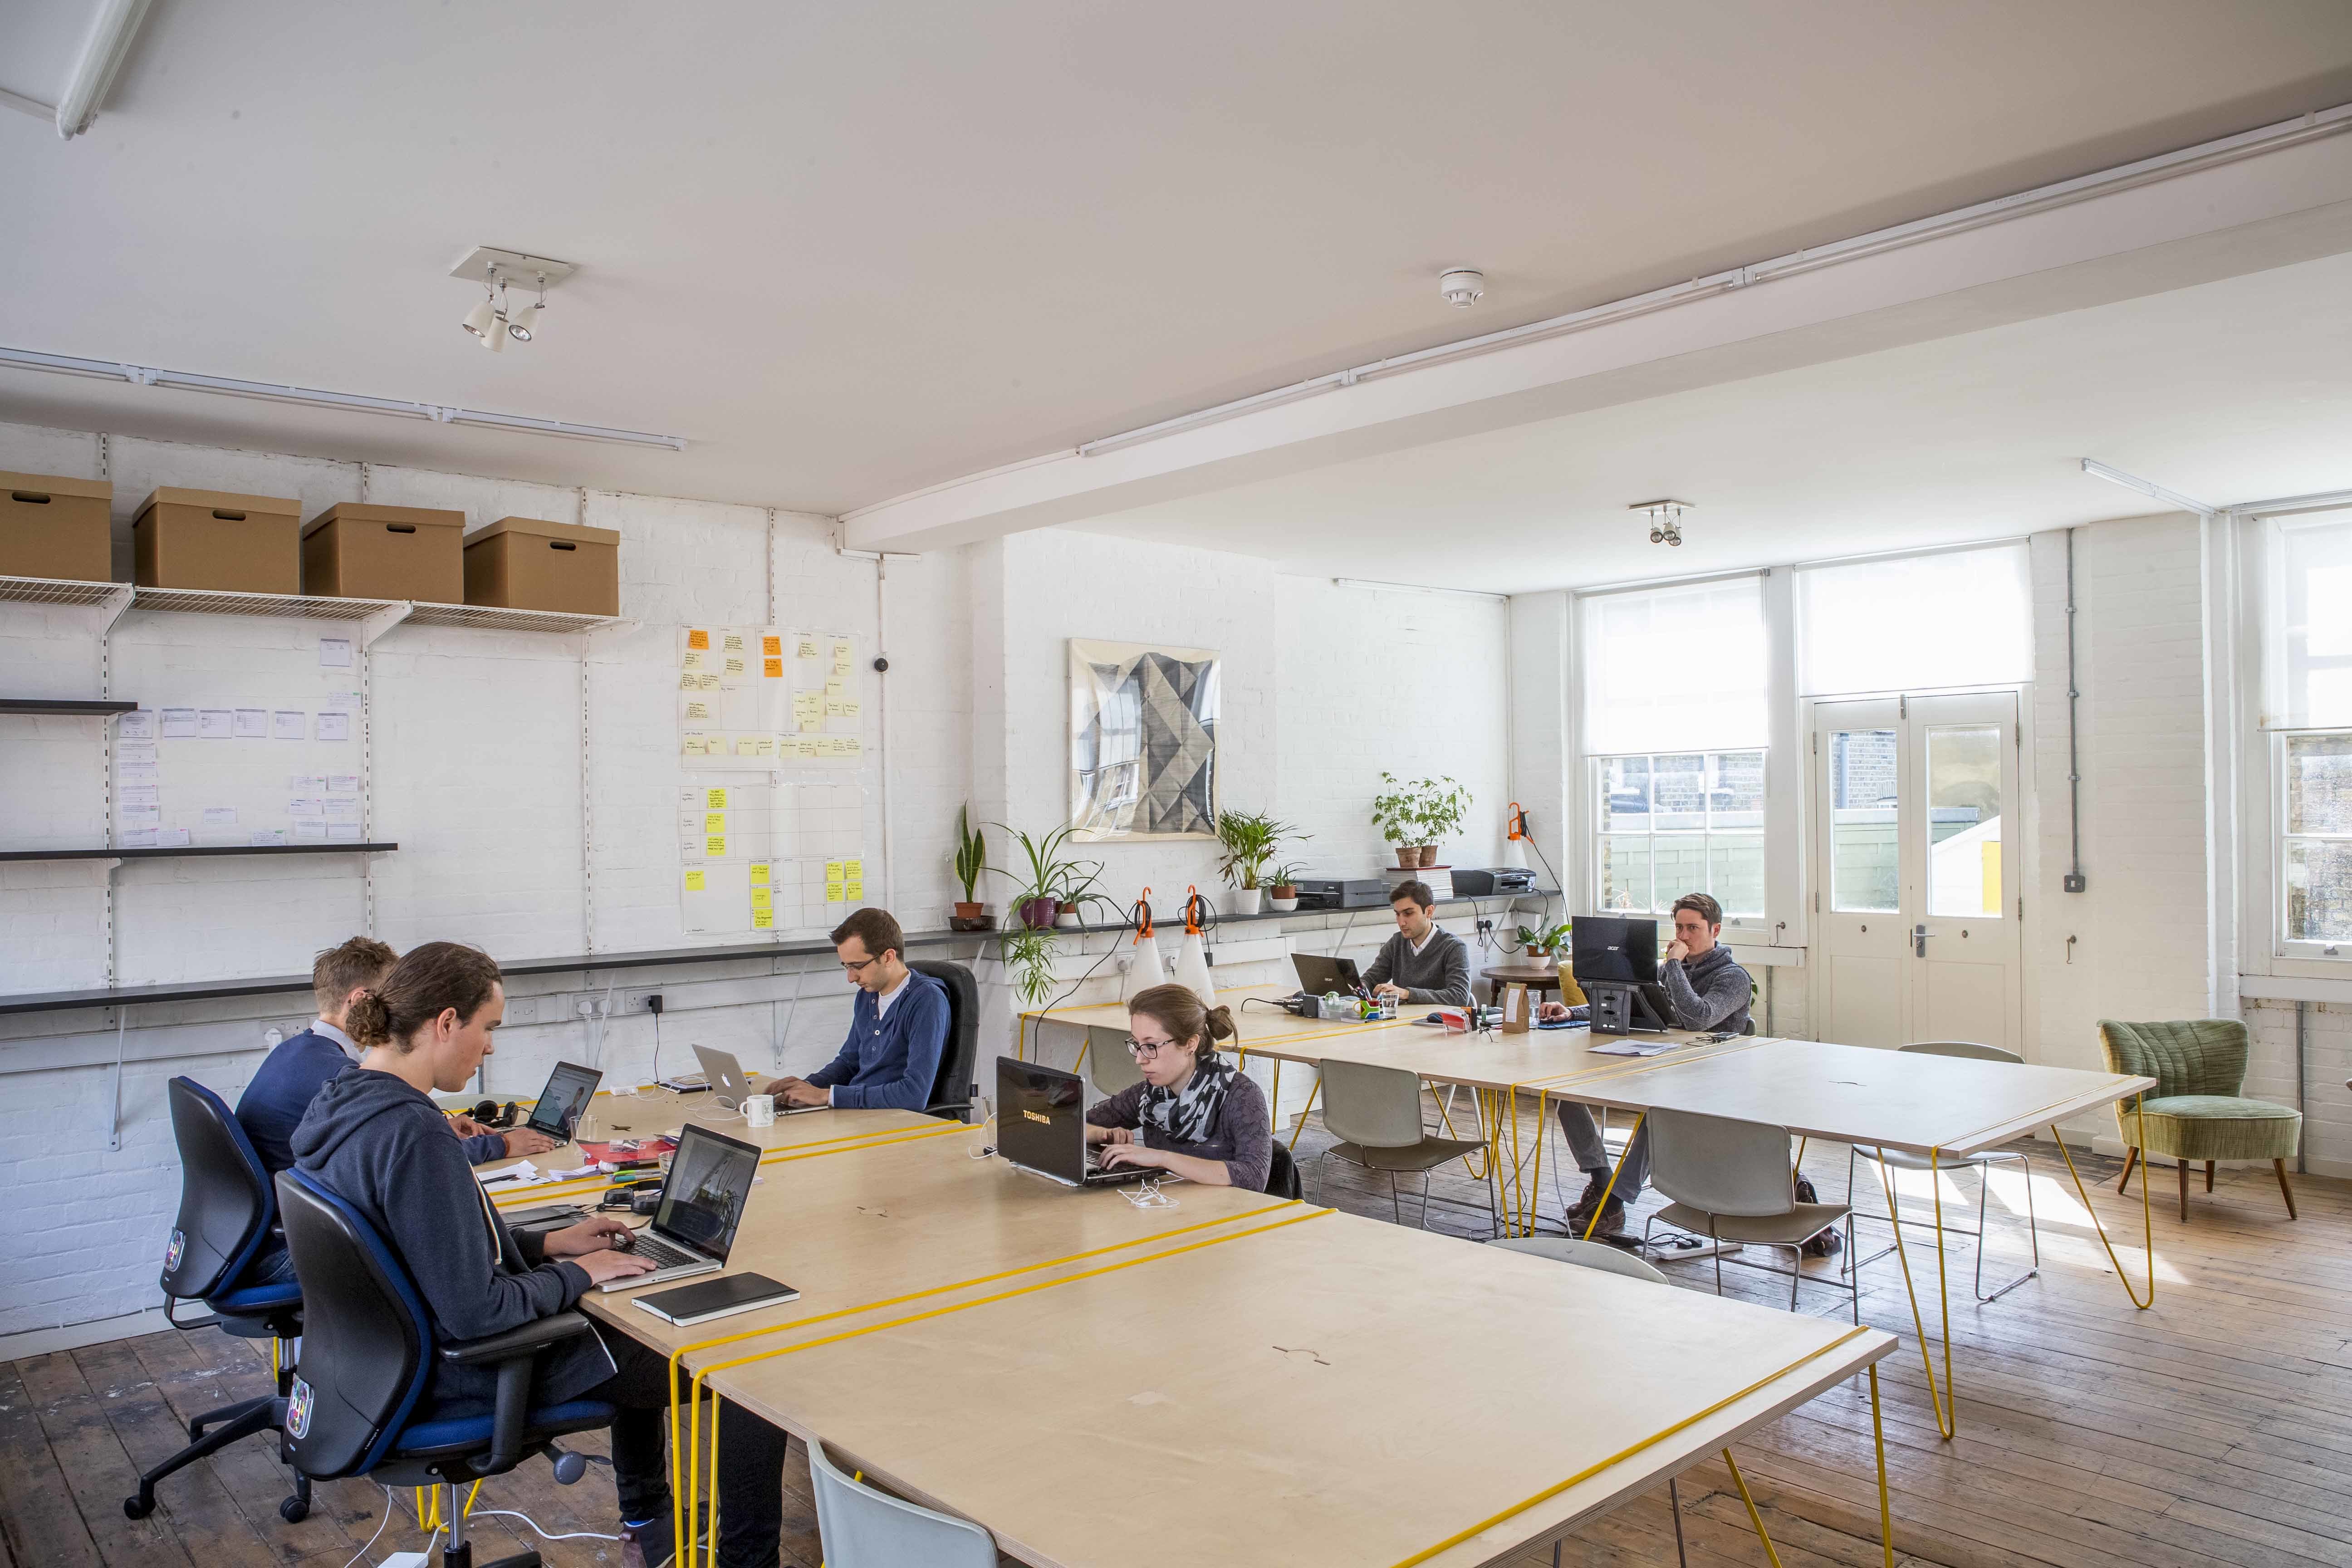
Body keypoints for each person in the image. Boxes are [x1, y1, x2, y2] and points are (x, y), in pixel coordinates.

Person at [290, 942, 789, 1568]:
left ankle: (648, 1524)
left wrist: (548, 1244)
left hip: (383, 1368)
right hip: (468, 1371)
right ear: (446, 1023)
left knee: (638, 1323)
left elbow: (424, 1244)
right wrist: (577, 1274)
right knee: (750, 1361)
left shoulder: (345, 1103)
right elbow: (477, 1312)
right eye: (489, 1028)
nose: (490, 1049)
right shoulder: (414, 1136)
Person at [1543, 893, 1753, 1236]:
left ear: (1715, 930)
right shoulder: (1669, 969)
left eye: (1693, 928)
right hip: (1661, 1063)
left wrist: (1674, 967)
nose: (1683, 936)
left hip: (1709, 1077)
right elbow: (1629, 1002)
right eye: (1679, 928)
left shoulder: (1733, 977)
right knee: (1562, 1090)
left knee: (1657, 1112)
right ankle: (1601, 1178)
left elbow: (1699, 1019)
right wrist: (1572, 1012)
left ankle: (1613, 1205)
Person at [1087, 984, 1273, 1191]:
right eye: (1137, 1044)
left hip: (1227, 1210)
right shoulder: (1150, 1095)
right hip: (1170, 1204)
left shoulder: (1242, 1096)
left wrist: (1163, 1159)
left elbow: (1254, 1176)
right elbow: (1072, 1125)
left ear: (1190, 1044)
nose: (1139, 1059)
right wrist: (1102, 1134)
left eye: (1151, 1046)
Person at [763, 908, 948, 1111]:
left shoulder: (927, 1000)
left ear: (888, 957)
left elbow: (914, 1095)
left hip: (892, 1120)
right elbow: (849, 1063)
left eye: (857, 966)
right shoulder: (868, 995)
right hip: (858, 1113)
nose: (851, 978)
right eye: (846, 966)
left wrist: (828, 1096)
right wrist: (807, 1086)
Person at [1362, 880, 1473, 1007]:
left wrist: (1407, 994)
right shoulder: (1396, 943)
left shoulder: (1454, 947)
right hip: (1404, 1017)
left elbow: (1460, 996)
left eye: (1408, 914)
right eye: (1398, 914)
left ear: (1429, 912)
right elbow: (1370, 980)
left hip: (1439, 1018)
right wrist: (1357, 987)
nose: (1401, 922)